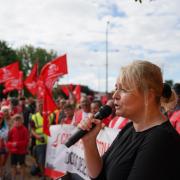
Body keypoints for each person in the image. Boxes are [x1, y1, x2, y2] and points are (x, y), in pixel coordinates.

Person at [78, 60, 180, 180]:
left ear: (149, 96)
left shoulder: (161, 139)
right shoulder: (130, 127)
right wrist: (89, 142)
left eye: (124, 89)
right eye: (116, 88)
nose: (115, 95)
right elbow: (98, 175)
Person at [6, 114, 29, 180]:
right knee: (13, 166)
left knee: (22, 166)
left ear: (21, 121)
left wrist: (17, 144)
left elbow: (26, 141)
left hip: (21, 151)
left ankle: (22, 178)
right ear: (13, 121)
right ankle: (13, 178)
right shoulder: (12, 130)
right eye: (16, 120)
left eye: (19, 120)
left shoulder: (24, 129)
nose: (17, 122)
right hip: (13, 151)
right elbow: (8, 141)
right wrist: (11, 145)